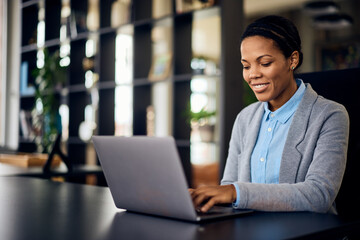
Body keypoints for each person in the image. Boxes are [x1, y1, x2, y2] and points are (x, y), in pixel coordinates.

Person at [189, 15, 349, 214]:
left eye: (264, 63)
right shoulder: (245, 119)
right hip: (247, 231)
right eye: (246, 66)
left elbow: (319, 195)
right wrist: (204, 198)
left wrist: (236, 192)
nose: (252, 74)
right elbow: (229, 185)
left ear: (293, 59)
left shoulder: (329, 115)